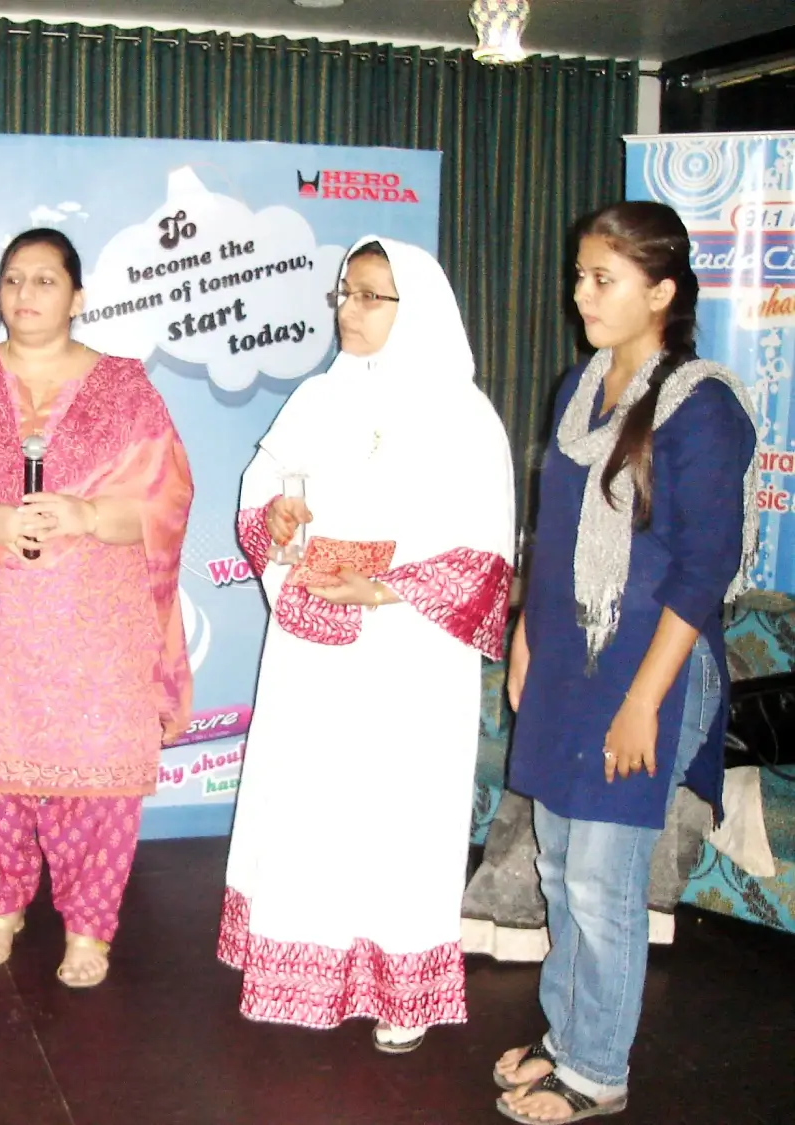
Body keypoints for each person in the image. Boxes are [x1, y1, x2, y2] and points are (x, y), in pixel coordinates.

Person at [494, 202, 757, 1123]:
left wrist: (646, 700)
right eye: (579, 274)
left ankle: (598, 1070)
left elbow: (704, 568)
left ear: (662, 291)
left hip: (650, 663)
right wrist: (526, 631)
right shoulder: (581, 386)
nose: (581, 294)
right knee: (562, 864)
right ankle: (569, 1034)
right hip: (570, 656)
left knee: (605, 879)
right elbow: (552, 526)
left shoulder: (703, 404)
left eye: (602, 278)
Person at [221, 237, 515, 1053]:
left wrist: (386, 590)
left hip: (409, 656)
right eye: (345, 291)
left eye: (370, 295)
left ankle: (401, 991)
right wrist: (277, 521)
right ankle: (301, 968)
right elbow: (266, 494)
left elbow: (486, 556)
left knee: (397, 810)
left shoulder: (464, 415)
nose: (348, 309)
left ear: (413, 306)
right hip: (316, 647)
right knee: (313, 803)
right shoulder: (318, 398)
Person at [0, 227, 193, 988]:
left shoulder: (125, 386)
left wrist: (87, 516)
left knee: (94, 770)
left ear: (78, 297)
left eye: (45, 280)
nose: (26, 295)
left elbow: (167, 497)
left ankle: (90, 925)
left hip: (94, 620)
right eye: (13, 279)